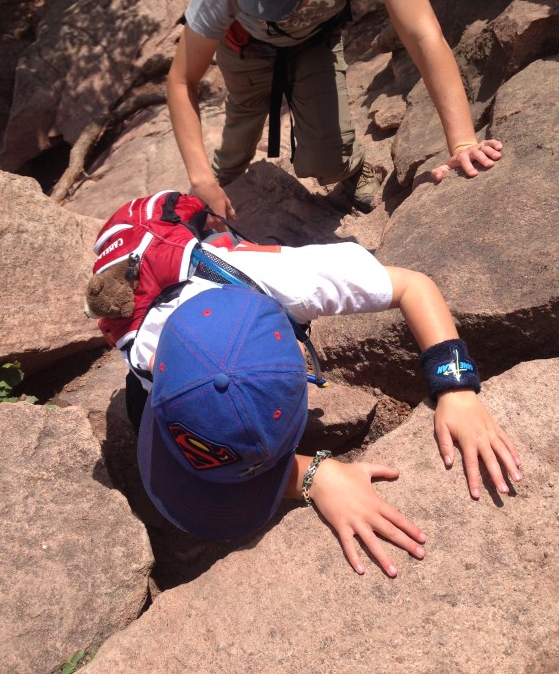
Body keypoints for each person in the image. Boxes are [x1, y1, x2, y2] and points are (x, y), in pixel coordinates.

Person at [124, 233, 521, 578]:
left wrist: (455, 386)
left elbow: (413, 286)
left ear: (301, 357)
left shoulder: (295, 282)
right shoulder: (143, 349)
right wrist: (315, 474)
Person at [167, 0, 503, 217]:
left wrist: (462, 142)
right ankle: (223, 180)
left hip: (314, 39)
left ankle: (353, 168)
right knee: (240, 131)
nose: (275, 0)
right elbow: (182, 79)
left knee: (329, 157)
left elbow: (422, 33)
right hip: (245, 46)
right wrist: (201, 180)